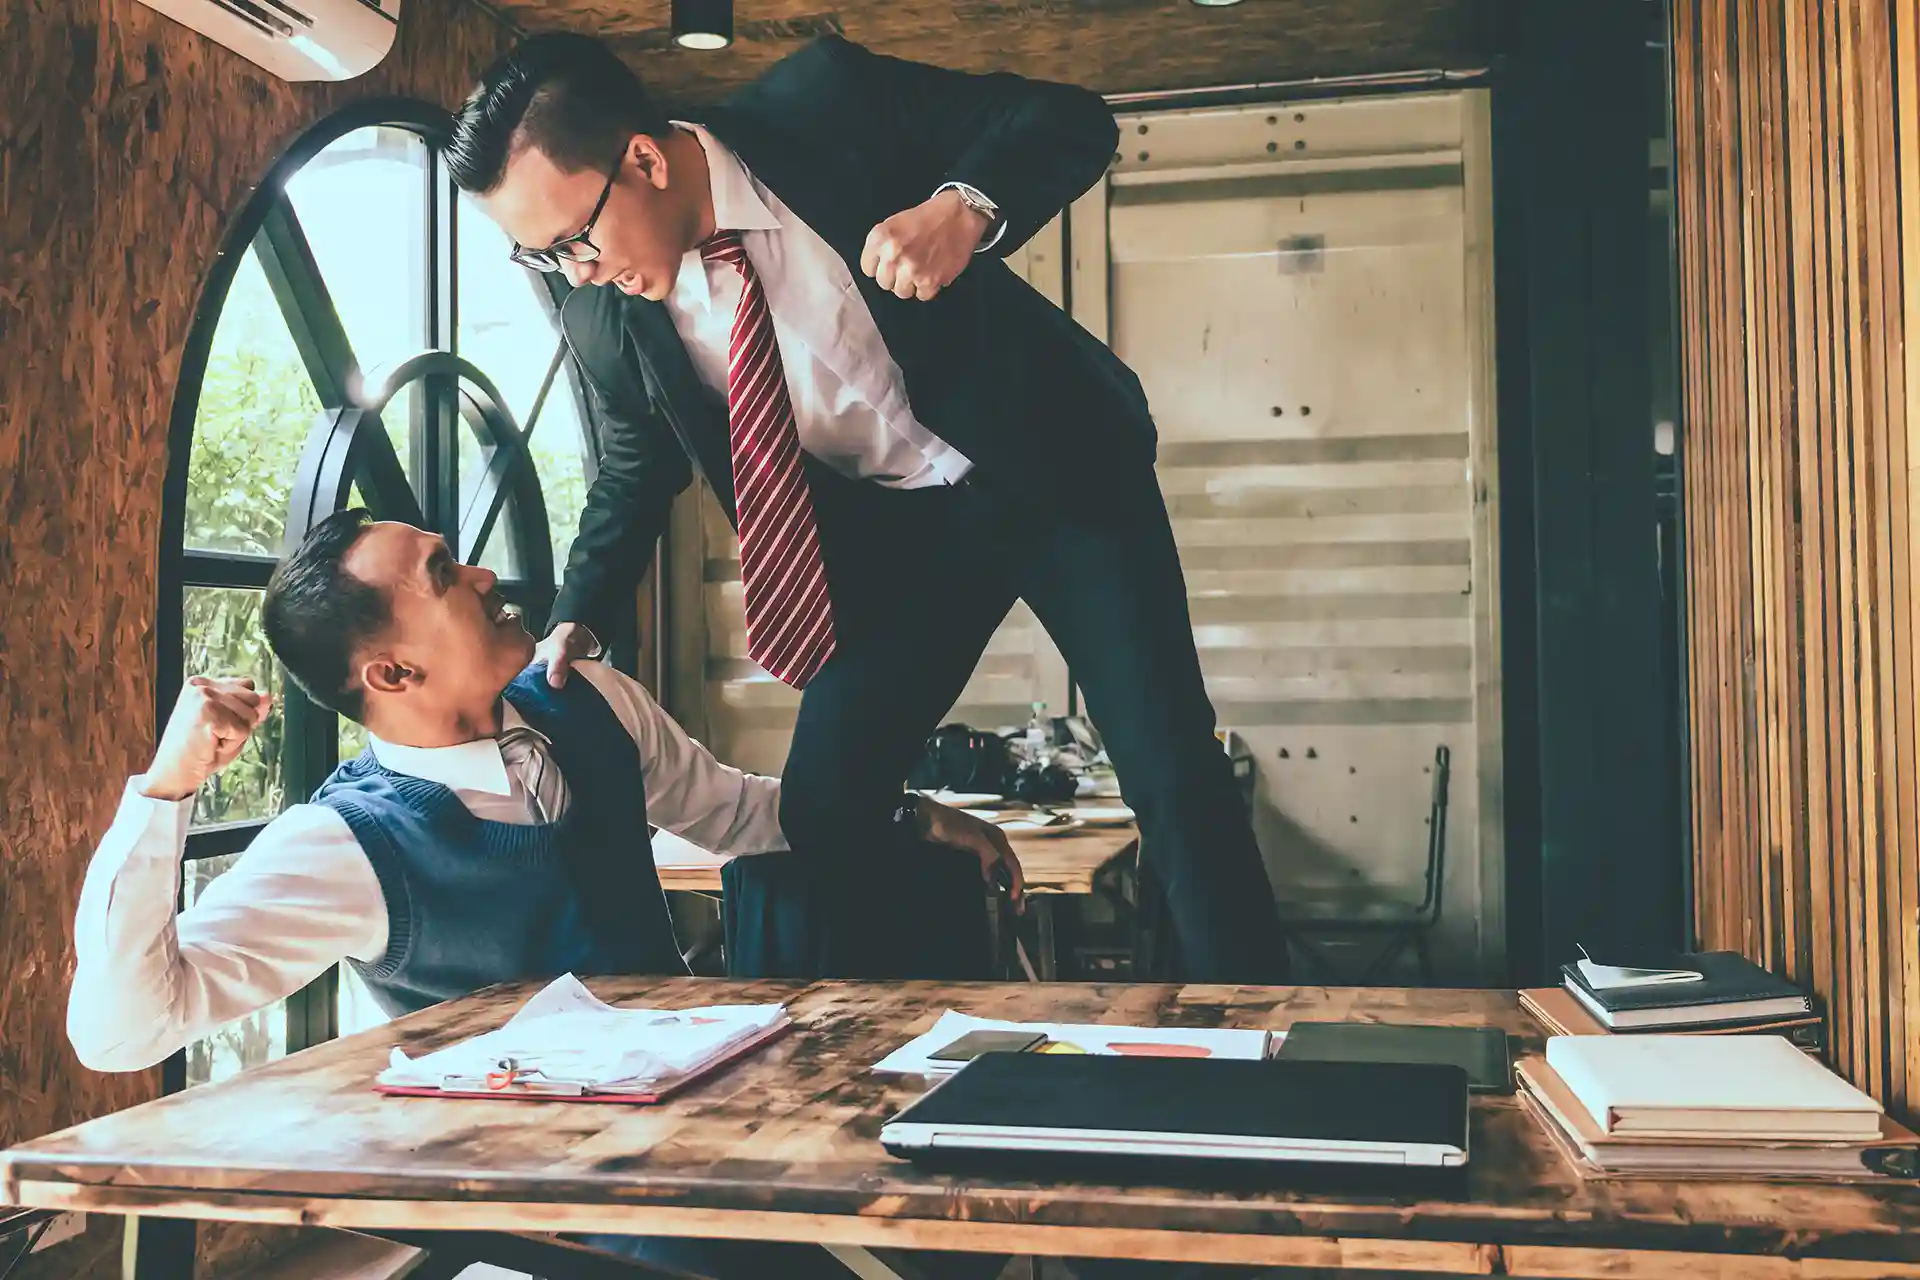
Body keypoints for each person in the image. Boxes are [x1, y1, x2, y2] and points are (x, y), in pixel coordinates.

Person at [449, 32, 1290, 982]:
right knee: (825, 805)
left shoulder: (823, 106)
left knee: (1172, 773)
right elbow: (637, 463)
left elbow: (1066, 120)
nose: (576, 271)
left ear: (642, 159)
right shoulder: (603, 314)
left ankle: (1261, 1045)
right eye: (542, 257)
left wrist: (962, 208)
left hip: (1057, 478)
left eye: (573, 240)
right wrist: (579, 614)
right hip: (909, 540)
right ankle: (913, 1041)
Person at [66, 509, 1022, 1280]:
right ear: (393, 673)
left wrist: (905, 816)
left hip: (712, 1137)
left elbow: (735, 814)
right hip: (534, 1210)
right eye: (445, 574)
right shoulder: (343, 842)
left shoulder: (592, 696)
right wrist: (166, 793)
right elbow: (122, 1033)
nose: (485, 575)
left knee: (953, 1208)